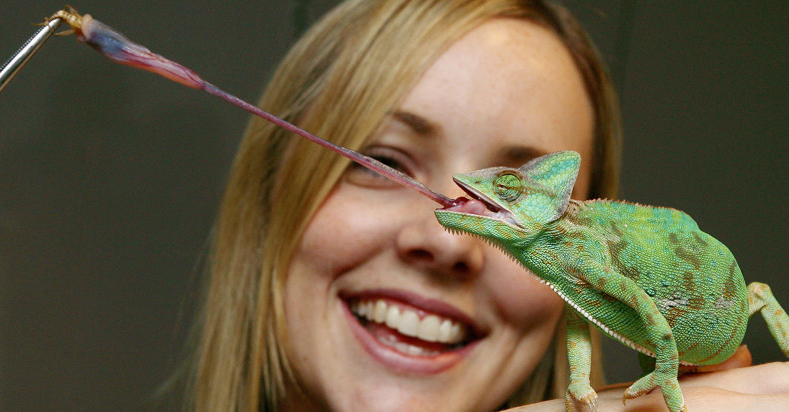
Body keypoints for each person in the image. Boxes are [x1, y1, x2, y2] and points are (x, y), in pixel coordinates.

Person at [185, 1, 789, 411]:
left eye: (524, 182)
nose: (448, 242)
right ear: (270, 190)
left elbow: (600, 302)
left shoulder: (570, 257)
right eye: (386, 162)